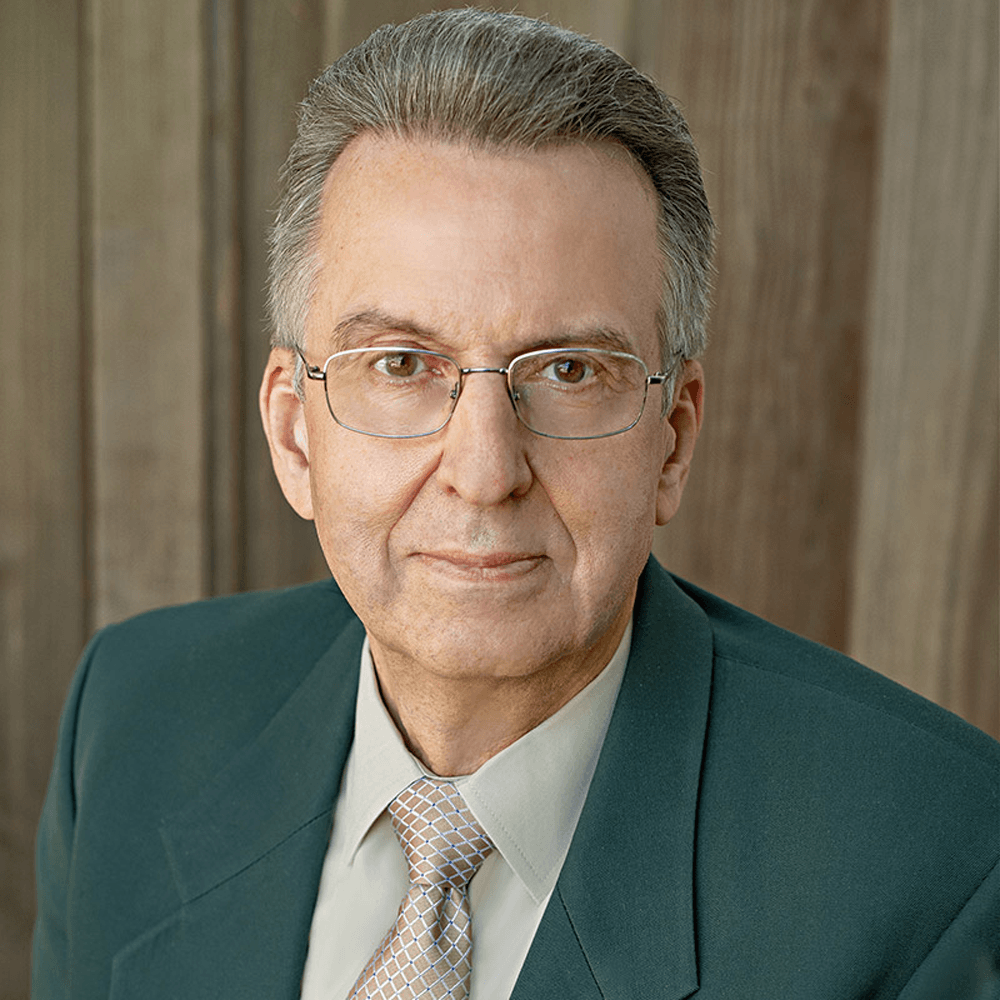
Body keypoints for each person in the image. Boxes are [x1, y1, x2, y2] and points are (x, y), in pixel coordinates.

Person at [32, 9, 999, 999]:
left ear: (673, 436)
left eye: (570, 368)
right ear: (293, 434)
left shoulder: (939, 866)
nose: (485, 469)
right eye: (402, 364)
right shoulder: (132, 718)